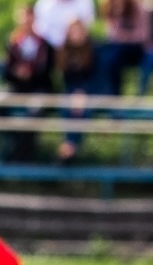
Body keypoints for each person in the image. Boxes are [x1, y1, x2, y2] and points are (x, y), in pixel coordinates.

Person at [2, 5, 55, 162]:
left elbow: (48, 71)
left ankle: (25, 152)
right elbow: (6, 71)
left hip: (39, 88)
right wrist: (16, 73)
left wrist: (31, 74)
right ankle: (16, 143)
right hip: (17, 88)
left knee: (35, 110)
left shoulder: (45, 45)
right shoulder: (12, 43)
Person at [57, 19, 98, 160]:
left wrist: (83, 93)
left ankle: (71, 145)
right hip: (71, 91)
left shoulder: (93, 50)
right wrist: (75, 94)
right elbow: (66, 80)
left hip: (91, 91)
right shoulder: (64, 52)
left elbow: (96, 77)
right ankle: (69, 144)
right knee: (66, 107)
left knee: (83, 109)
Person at [98, 0, 149, 94]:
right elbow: (111, 34)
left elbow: (143, 35)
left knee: (113, 57)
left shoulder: (137, 7)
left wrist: (125, 36)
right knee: (101, 53)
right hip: (117, 48)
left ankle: (115, 93)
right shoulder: (110, 8)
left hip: (136, 49)